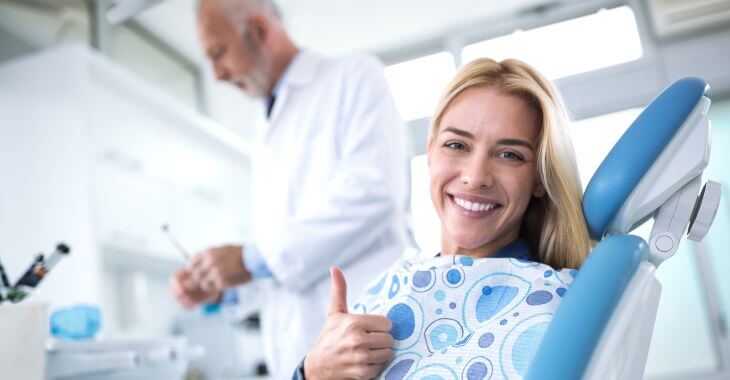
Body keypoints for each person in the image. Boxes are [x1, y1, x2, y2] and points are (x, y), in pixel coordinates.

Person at [298, 58, 593, 379]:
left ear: (539, 178)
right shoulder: (392, 283)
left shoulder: (558, 304)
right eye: (456, 144)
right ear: (430, 152)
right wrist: (311, 372)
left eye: (509, 154)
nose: (476, 176)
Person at [168, 0, 414, 377]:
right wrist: (224, 285)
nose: (216, 74)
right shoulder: (265, 125)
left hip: (368, 345)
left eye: (219, 53)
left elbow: (375, 192)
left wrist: (249, 260)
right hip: (301, 358)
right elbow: (287, 259)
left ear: (260, 31)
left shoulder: (353, 76)